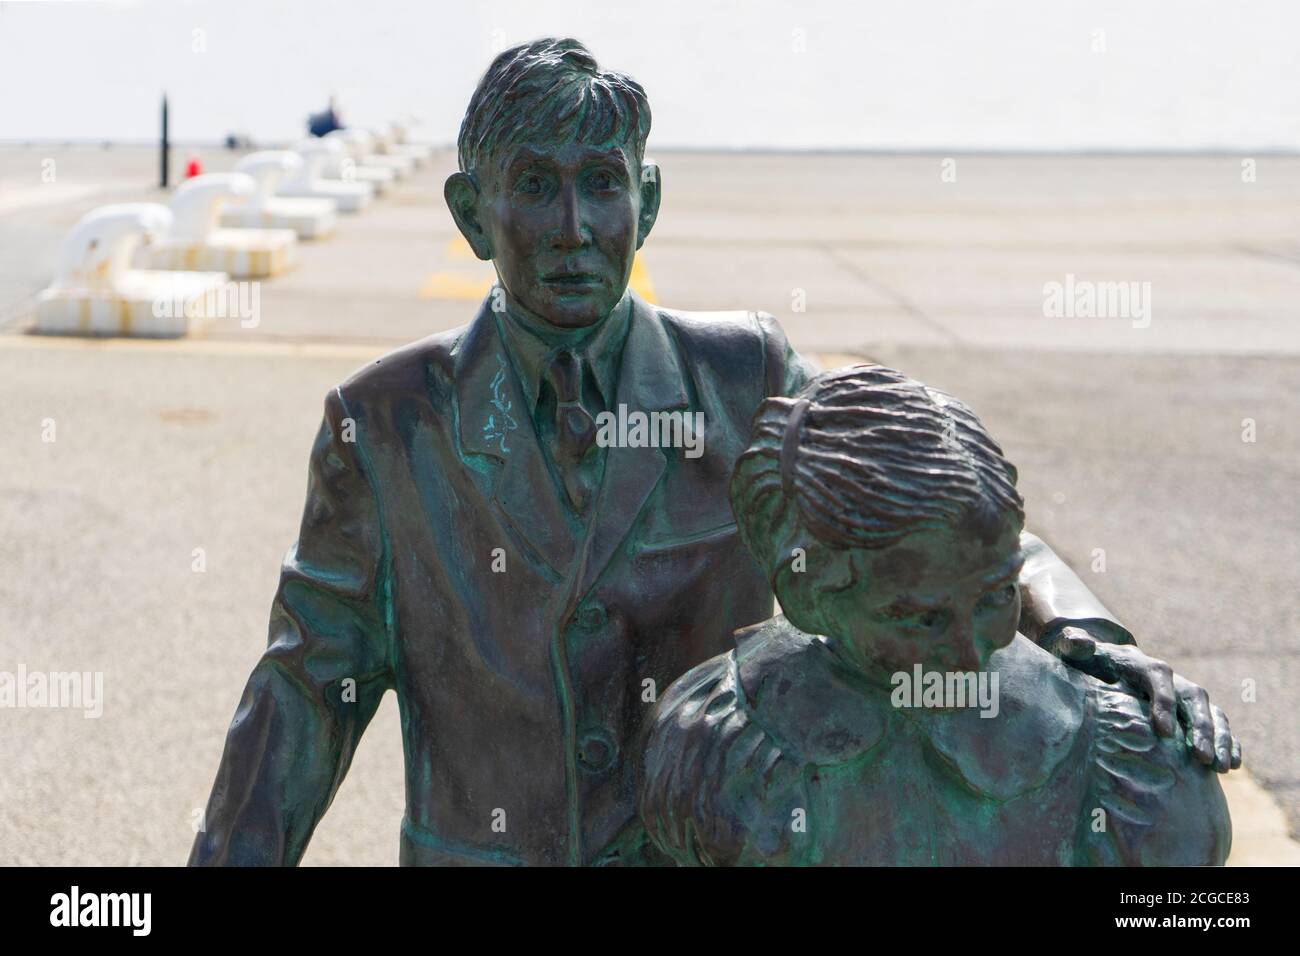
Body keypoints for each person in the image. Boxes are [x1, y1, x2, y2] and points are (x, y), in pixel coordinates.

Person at [190, 39, 1236, 867]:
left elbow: (946, 511)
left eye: (602, 184)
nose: (571, 226)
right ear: (472, 213)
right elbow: (303, 691)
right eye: (534, 186)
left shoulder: (745, 374)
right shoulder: (386, 424)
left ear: (646, 201)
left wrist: (1094, 640)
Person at [639, 365, 1233, 865]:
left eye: (997, 597)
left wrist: (1093, 640)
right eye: (921, 620)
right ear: (810, 594)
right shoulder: (722, 748)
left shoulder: (1134, 760)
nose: (973, 654)